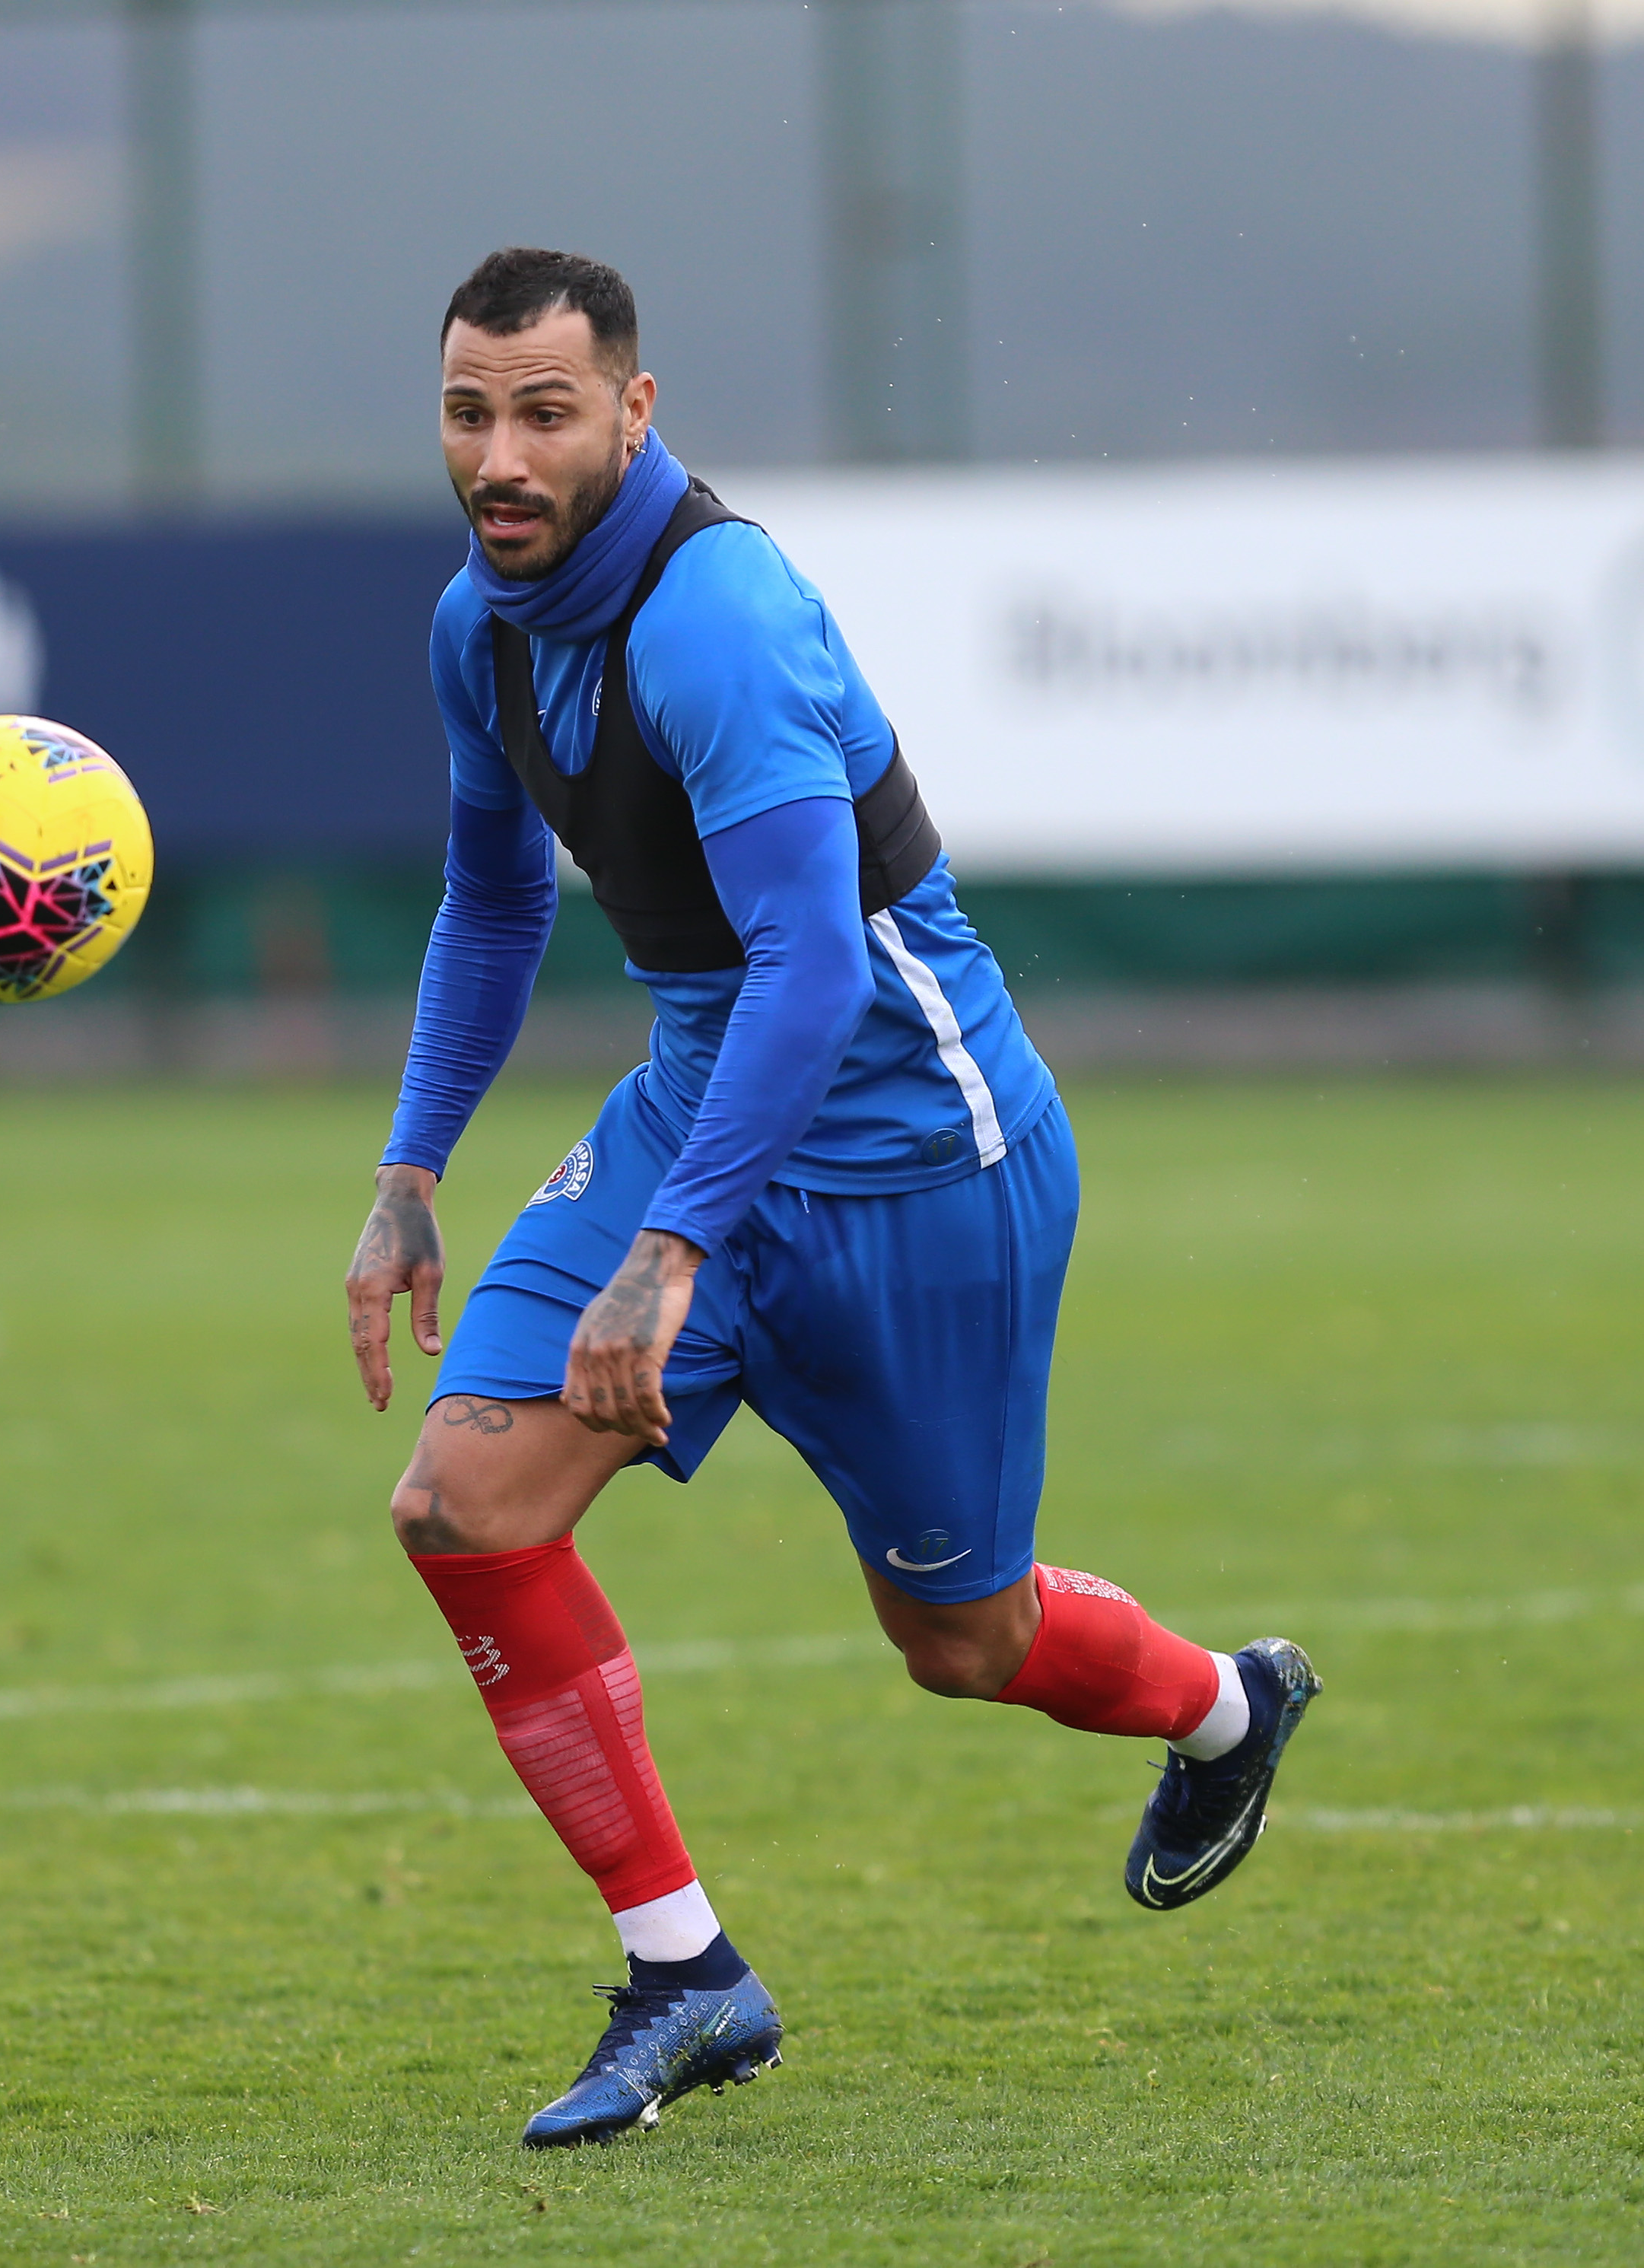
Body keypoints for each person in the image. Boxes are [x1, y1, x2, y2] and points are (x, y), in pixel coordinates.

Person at [344, 247, 1320, 2152]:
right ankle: (686, 1974)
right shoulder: (479, 624)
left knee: (963, 1641)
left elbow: (815, 968)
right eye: (468, 412)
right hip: (700, 1108)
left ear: (635, 410)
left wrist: (669, 1250)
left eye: (545, 411)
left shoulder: (719, 618)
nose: (500, 457)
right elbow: (493, 897)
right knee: (462, 1506)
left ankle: (1226, 1706)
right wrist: (408, 1170)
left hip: (916, 1160)